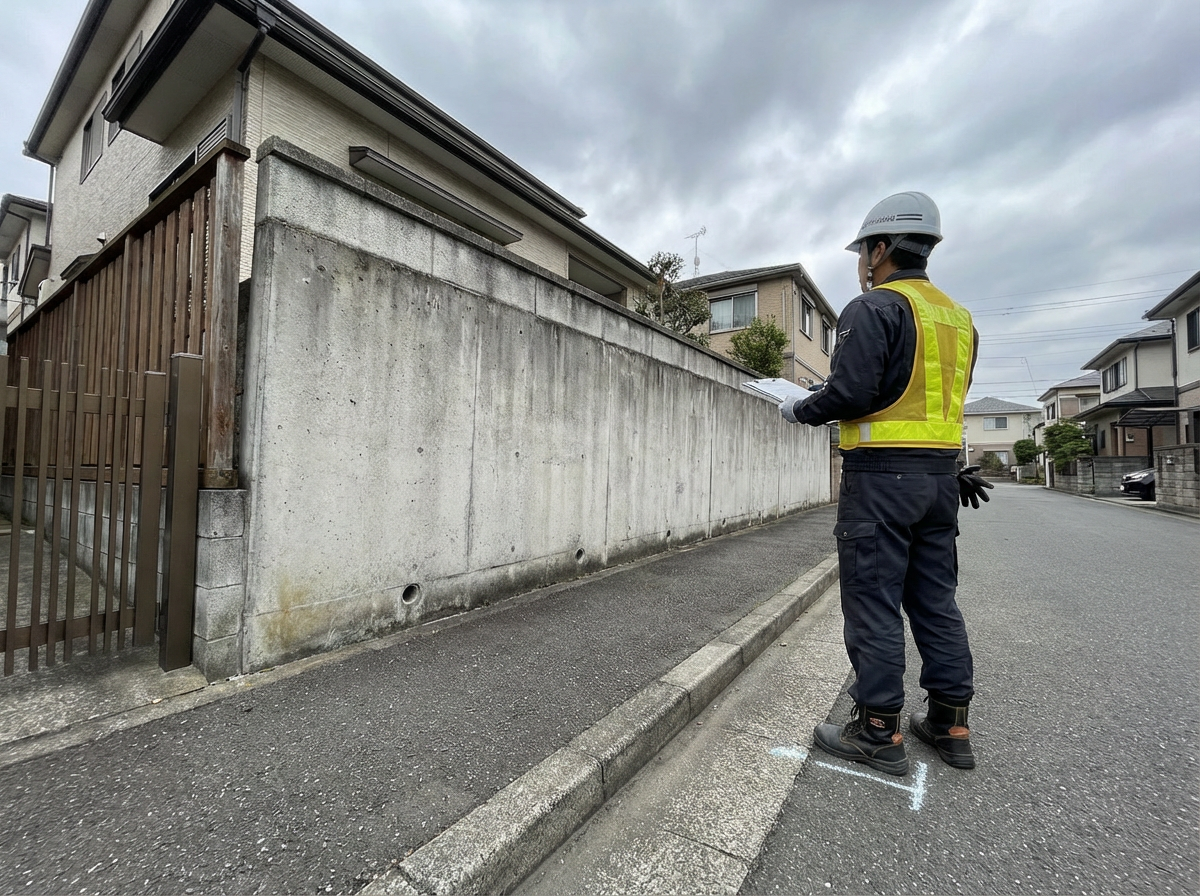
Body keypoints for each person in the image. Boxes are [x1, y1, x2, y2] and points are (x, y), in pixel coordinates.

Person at [780, 191, 992, 776]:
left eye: (862, 252)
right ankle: (951, 722)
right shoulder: (959, 320)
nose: (860, 264)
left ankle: (878, 730)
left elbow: (850, 394)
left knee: (873, 599)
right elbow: (940, 406)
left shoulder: (873, 309)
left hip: (879, 481)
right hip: (940, 482)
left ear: (880, 249)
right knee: (934, 599)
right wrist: (949, 469)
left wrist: (798, 409)